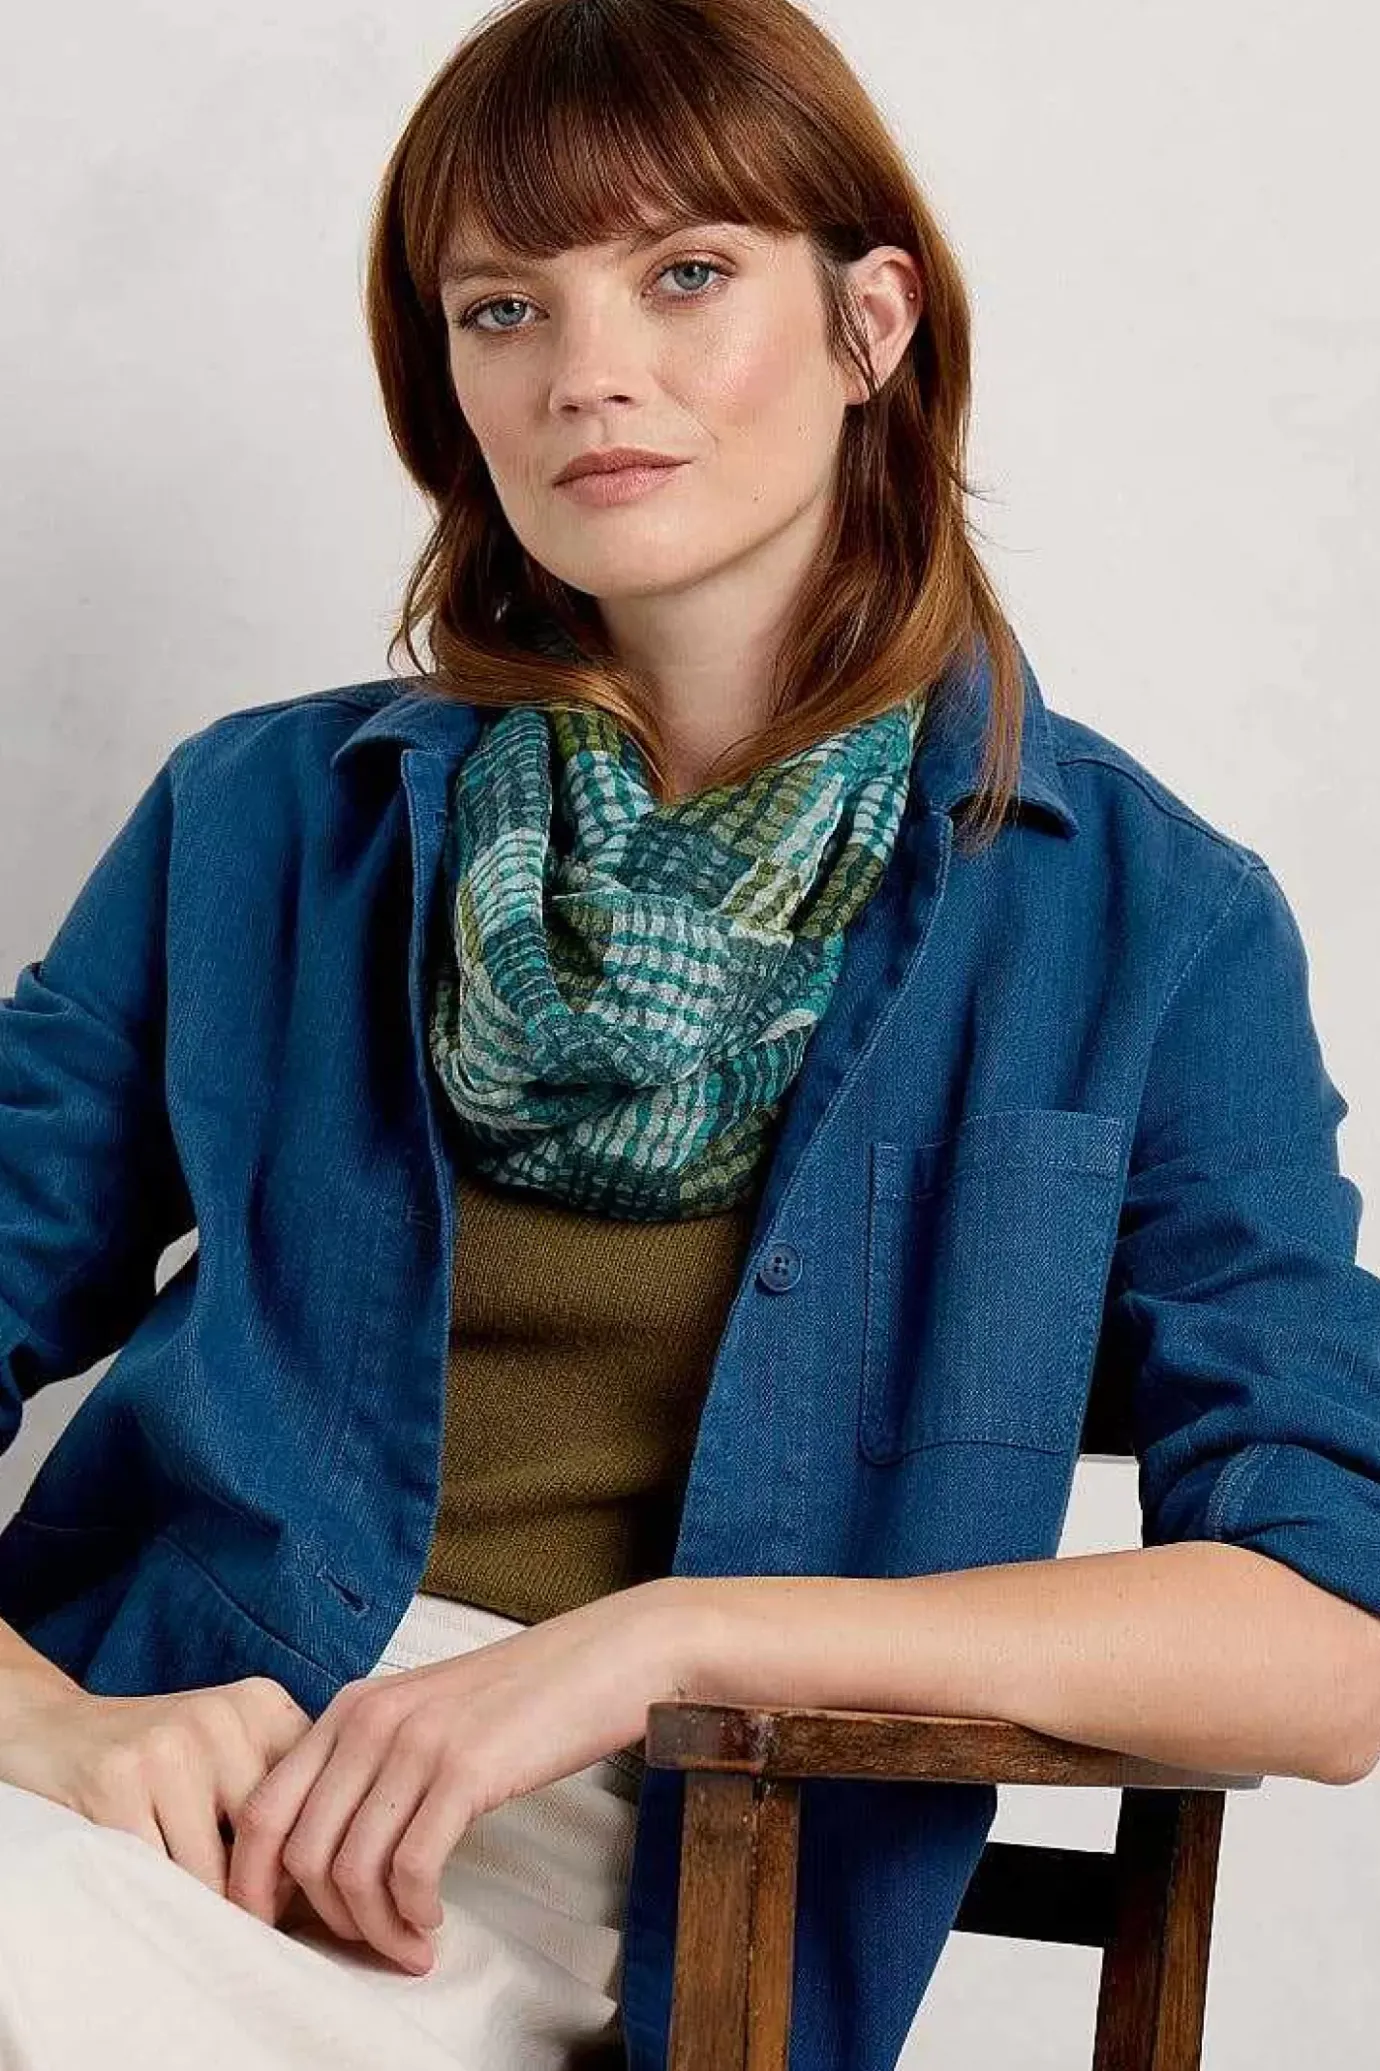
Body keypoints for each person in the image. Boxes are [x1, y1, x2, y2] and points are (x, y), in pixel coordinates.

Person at [1, 0, 1378, 2066]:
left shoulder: (1144, 922)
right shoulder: (261, 824)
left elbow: (1327, 1636)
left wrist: (665, 1643)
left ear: (870, 322)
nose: (588, 372)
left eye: (687, 274)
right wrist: (47, 1727)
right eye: (502, 307)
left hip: (637, 1882)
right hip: (148, 1798)